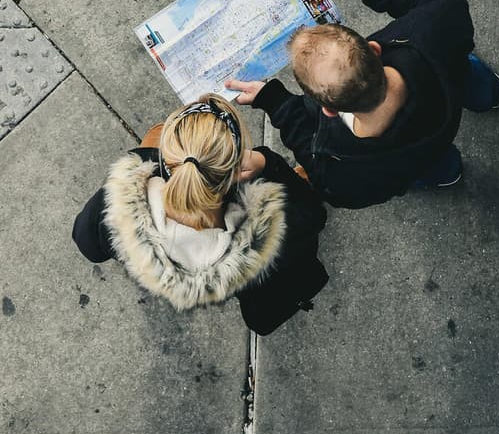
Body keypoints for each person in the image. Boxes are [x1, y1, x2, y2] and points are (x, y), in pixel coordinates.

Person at [227, 0, 499, 209]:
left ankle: (447, 172)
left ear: (329, 109)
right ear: (374, 49)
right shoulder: (435, 26)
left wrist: (275, 101)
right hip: (447, 81)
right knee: (465, 73)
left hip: (414, 160)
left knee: (431, 162)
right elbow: (442, 1)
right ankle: (489, 95)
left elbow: (329, 181)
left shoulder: (345, 172)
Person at [73, 94, 328, 335]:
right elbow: (314, 215)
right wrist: (266, 162)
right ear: (235, 174)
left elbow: (86, 241)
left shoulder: (117, 201)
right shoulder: (268, 238)